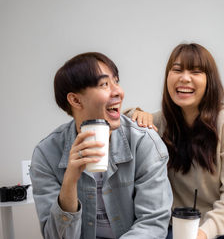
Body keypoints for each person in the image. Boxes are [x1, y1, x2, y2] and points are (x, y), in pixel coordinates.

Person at [125, 43, 224, 239]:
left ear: (210, 81)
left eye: (196, 71)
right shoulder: (163, 122)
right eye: (177, 70)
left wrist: (203, 233)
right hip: (180, 228)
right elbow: (122, 120)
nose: (184, 78)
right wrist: (137, 113)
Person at [30, 52, 173, 239]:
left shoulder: (144, 142)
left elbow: (152, 224)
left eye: (116, 81)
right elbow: (56, 236)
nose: (118, 92)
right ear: (75, 100)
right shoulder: (46, 154)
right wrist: (70, 181)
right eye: (105, 84)